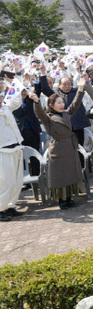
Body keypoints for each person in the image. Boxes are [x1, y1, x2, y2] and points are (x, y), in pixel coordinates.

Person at [30, 77, 87, 209]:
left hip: (70, 147)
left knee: (70, 173)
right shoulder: (48, 118)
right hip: (58, 149)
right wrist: (37, 102)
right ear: (51, 105)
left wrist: (80, 89)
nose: (62, 105)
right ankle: (61, 199)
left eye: (62, 102)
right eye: (58, 103)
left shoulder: (66, 113)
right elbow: (39, 113)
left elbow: (75, 104)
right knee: (60, 176)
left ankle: (69, 197)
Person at [0, 84, 26, 221]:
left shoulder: (5, 107)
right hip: (2, 151)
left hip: (16, 147)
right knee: (5, 182)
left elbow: (15, 101)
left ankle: (11, 205)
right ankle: (0, 208)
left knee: (17, 181)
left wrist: (16, 82)